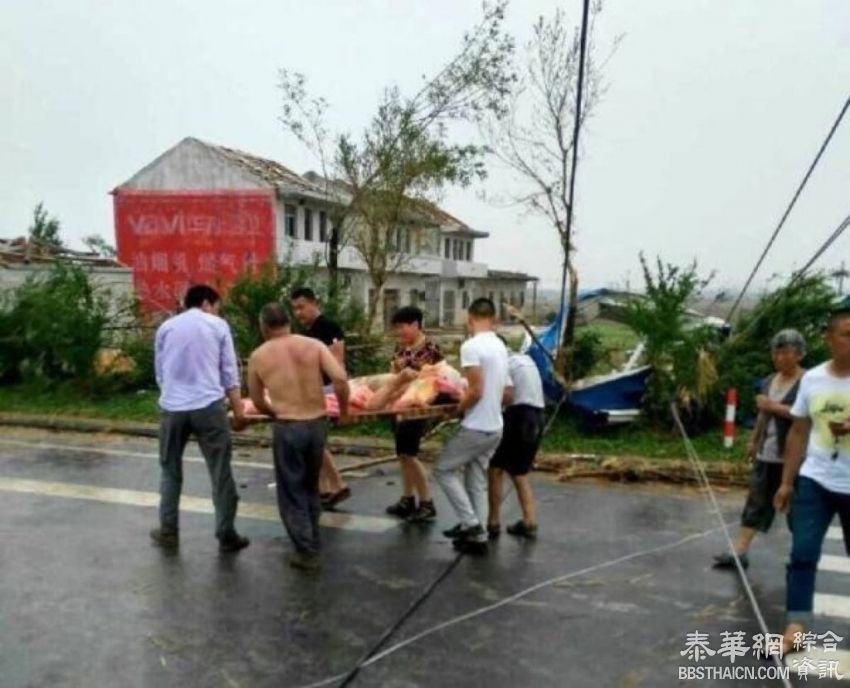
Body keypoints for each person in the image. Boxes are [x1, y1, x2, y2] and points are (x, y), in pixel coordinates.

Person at [247, 303, 350, 571]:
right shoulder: (314, 345)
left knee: (291, 491)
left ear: (264, 326)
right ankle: (312, 539)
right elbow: (339, 378)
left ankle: (306, 551)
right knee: (310, 486)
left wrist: (274, 412)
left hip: (288, 424)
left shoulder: (259, 356)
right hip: (317, 422)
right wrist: (345, 411)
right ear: (289, 321)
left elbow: (257, 400)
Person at [151, 284, 250, 553]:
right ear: (207, 302)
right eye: (217, 306)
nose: (217, 311)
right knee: (220, 470)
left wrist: (174, 394)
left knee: (170, 470)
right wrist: (239, 410)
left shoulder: (166, 328)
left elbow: (160, 373)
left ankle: (168, 530)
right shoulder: (217, 326)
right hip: (208, 406)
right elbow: (229, 372)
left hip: (172, 408)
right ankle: (226, 534)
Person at [774, 309, 850, 653]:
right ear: (830, 339)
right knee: (802, 553)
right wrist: (787, 482)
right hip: (816, 479)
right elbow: (799, 431)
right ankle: (796, 628)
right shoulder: (814, 379)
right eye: (847, 333)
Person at [712, 329, 805, 570]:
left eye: (786, 352)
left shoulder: (808, 381)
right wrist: (754, 441)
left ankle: (801, 556)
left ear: (799, 355)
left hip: (796, 458)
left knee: (798, 509)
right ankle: (740, 551)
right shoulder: (769, 380)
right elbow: (763, 414)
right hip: (768, 452)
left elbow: (805, 417)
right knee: (756, 501)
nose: (781, 357)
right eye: (777, 352)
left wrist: (773, 406)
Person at [434, 298, 509, 555]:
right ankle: (479, 537)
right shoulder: (500, 346)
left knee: (443, 469)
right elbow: (501, 390)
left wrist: (457, 408)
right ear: (494, 318)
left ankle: (472, 525)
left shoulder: (471, 346)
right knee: (476, 479)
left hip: (477, 425)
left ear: (469, 318)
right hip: (496, 425)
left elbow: (475, 390)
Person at [290, 287, 351, 509]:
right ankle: (325, 488)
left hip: (327, 390)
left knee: (314, 442)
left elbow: (337, 362)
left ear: (315, 302)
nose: (298, 313)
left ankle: (336, 485)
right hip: (313, 390)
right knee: (314, 442)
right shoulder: (308, 332)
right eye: (295, 308)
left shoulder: (328, 327)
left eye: (302, 307)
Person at [385, 306, 444, 522]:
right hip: (398, 405)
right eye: (398, 327)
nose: (400, 331)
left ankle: (427, 502)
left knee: (410, 454)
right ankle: (407, 498)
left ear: (416, 325)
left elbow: (437, 381)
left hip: (418, 407)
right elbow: (392, 376)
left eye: (403, 326)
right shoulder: (401, 348)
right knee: (402, 454)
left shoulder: (431, 349)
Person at [487, 339, 546, 540]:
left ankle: (493, 521)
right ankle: (529, 521)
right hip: (537, 416)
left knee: (495, 467)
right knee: (520, 471)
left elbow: (508, 395)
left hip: (517, 416)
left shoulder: (502, 362)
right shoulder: (525, 360)